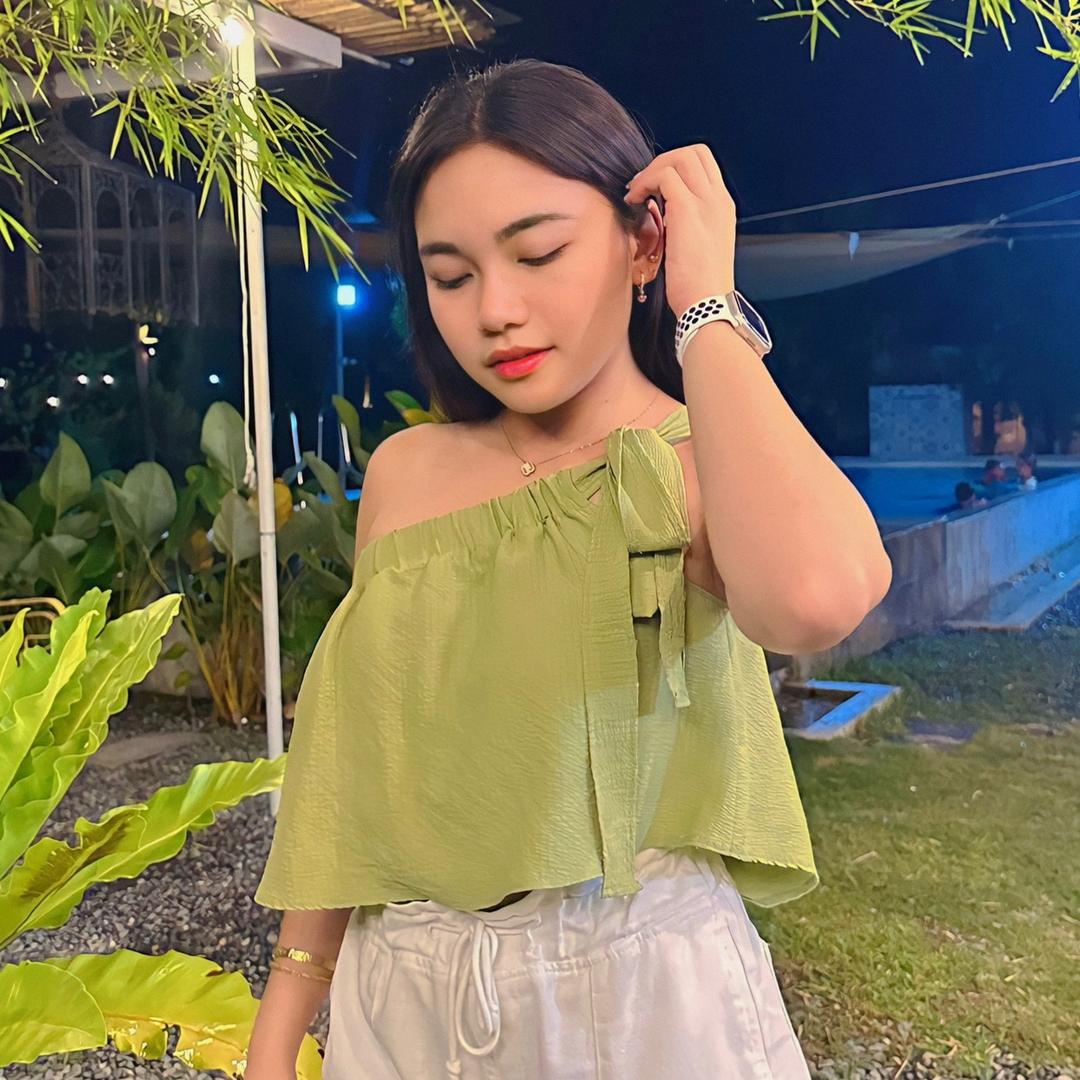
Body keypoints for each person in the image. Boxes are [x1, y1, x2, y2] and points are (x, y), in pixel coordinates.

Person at [247, 59, 891, 1080]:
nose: (495, 309)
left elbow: (815, 600)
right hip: (399, 988)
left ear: (643, 244)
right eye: (450, 276)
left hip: (639, 988)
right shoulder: (407, 474)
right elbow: (358, 768)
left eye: (538, 253)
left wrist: (707, 307)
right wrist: (282, 1022)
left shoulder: (694, 465)